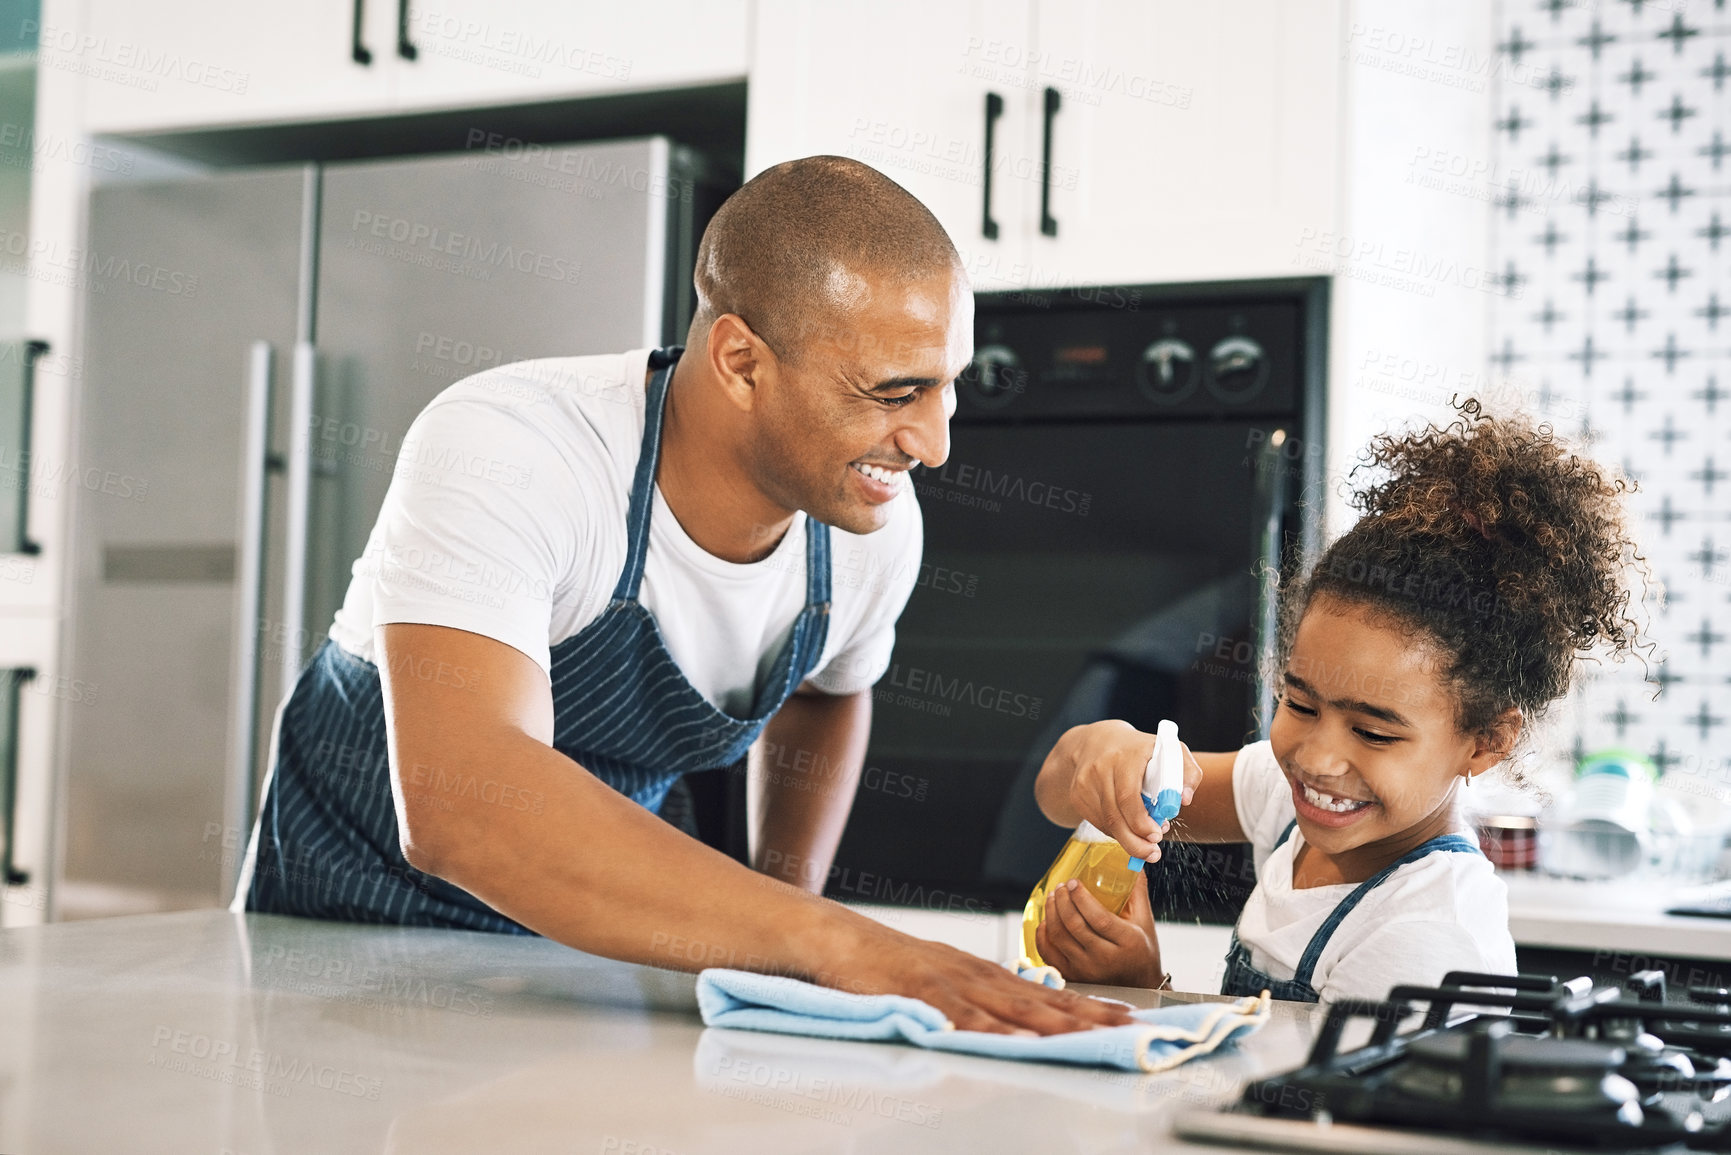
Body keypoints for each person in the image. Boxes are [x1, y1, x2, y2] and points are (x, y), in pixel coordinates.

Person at [234, 156, 1132, 1036]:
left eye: (947, 387)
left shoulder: (872, 523)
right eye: (895, 391)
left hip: (594, 962)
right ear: (740, 361)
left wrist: (784, 907)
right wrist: (825, 942)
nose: (933, 444)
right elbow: (463, 801)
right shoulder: (510, 446)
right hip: (335, 957)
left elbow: (828, 692)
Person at [1030, 402, 1647, 1002]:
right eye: (1300, 704)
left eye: (1374, 733)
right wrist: (1102, 747)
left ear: (1485, 741)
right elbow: (1055, 793)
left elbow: (1299, 1105)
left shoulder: (1425, 939)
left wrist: (1142, 992)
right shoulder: (1292, 800)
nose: (1318, 757)